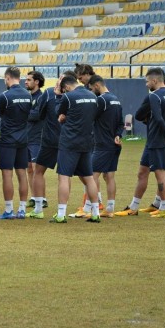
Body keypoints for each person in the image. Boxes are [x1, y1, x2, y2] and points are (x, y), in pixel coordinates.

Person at [26, 71, 75, 219]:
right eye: (60, 77)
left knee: (63, 176)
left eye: (63, 78)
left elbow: (39, 114)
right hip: (54, 141)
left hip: (60, 141)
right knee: (39, 172)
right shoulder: (73, 96)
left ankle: (59, 212)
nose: (60, 80)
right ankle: (39, 208)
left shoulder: (50, 94)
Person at [51, 76, 100, 223]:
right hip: (86, 141)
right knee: (89, 178)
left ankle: (60, 215)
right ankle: (96, 213)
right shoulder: (92, 96)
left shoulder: (68, 97)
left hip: (69, 142)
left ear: (65, 87)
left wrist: (58, 96)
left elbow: (58, 114)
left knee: (64, 177)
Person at [136, 68, 165, 219]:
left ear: (155, 81)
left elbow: (157, 117)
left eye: (147, 81)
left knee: (160, 176)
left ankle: (164, 208)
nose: (146, 84)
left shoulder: (154, 96)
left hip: (157, 140)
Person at [0, 67, 31, 220]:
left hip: (7, 140)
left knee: (7, 175)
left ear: (8, 78)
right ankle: (22, 209)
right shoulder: (28, 95)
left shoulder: (4, 97)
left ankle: (9, 209)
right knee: (22, 174)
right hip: (23, 139)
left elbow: (0, 114)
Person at [86, 75, 123, 218]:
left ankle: (91, 209)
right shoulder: (116, 99)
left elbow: (90, 117)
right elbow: (121, 123)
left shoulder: (101, 100)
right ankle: (110, 208)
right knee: (109, 176)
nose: (91, 91)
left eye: (91, 89)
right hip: (114, 144)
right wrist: (118, 135)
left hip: (102, 144)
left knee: (92, 176)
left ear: (96, 85)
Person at [24, 70, 47, 211]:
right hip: (27, 137)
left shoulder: (41, 97)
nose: (25, 82)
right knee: (29, 169)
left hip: (37, 138)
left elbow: (38, 115)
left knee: (37, 169)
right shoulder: (28, 97)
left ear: (37, 82)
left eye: (28, 80)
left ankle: (42, 198)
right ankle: (34, 197)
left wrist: (22, 113)